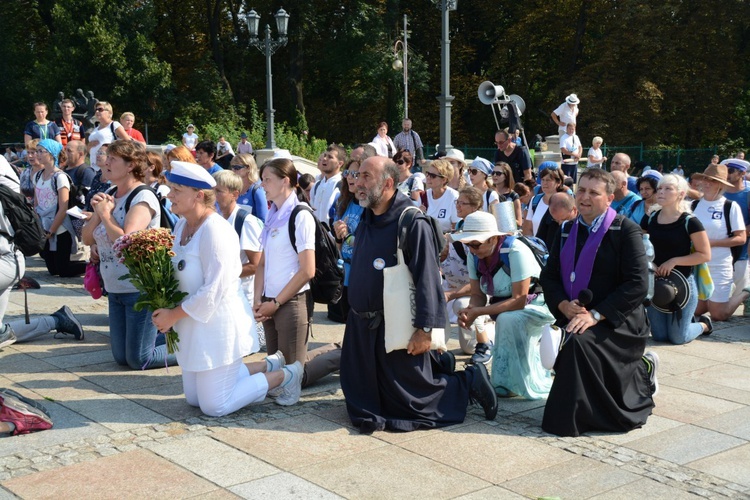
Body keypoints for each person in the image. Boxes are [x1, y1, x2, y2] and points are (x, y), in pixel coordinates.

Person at [339, 155, 498, 433]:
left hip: (396, 325)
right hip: (363, 328)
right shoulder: (367, 216)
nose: (357, 182)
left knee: (415, 403)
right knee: (367, 398)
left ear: (388, 183)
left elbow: (428, 279)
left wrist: (426, 329)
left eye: (366, 176)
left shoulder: (412, 221)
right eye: (356, 175)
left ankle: (469, 380)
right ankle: (440, 366)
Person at [151, 161, 298, 414]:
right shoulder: (181, 225)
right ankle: (267, 365)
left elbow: (214, 290)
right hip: (193, 325)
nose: (169, 195)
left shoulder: (216, 230)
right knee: (194, 400)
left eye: (176, 190)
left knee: (214, 405)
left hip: (218, 328)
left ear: (198, 196)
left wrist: (173, 315)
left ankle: (286, 375)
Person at [539, 168, 658, 437]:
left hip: (617, 319)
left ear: (609, 198)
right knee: (562, 341)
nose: (585, 197)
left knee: (576, 344)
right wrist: (561, 305)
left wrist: (595, 315)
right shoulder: (567, 229)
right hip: (574, 312)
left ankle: (585, 413)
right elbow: (549, 276)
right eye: (581, 190)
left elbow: (637, 284)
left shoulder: (625, 230)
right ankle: (582, 410)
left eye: (594, 192)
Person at [82, 140, 174, 370]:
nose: (106, 162)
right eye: (107, 157)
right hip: (114, 287)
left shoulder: (142, 197)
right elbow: (86, 238)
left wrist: (105, 215)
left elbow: (126, 242)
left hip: (138, 288)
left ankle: (193, 346)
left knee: (139, 359)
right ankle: (167, 333)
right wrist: (98, 213)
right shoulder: (110, 193)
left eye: (113, 158)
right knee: (121, 358)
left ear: (131, 164)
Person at [253, 158, 342, 391]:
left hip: (290, 301)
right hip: (270, 301)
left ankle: (343, 353)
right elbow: (262, 263)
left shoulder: (300, 215)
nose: (262, 185)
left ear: (285, 181)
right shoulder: (273, 215)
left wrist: (276, 302)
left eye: (267, 180)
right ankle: (336, 349)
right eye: (262, 180)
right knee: (278, 368)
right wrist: (258, 299)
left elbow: (307, 270)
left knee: (292, 376)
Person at [455, 211, 555, 399]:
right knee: (505, 317)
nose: (472, 249)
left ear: (493, 238)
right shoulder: (473, 255)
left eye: (475, 244)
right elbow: (477, 294)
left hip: (538, 304)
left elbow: (519, 299)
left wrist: (479, 312)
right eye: (467, 244)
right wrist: (471, 311)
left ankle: (512, 382)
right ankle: (504, 381)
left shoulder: (515, 250)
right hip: (504, 305)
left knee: (508, 319)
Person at [642, 174, 712, 344]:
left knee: (678, 338)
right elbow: (640, 246)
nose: (661, 192)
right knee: (659, 336)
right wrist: (651, 263)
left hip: (683, 283)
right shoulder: (650, 218)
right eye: (659, 188)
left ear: (681, 194)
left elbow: (705, 254)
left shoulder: (690, 222)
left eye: (668, 189)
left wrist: (673, 261)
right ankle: (684, 324)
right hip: (656, 283)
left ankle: (703, 325)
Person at [213, 170, 265, 349]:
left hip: (242, 296)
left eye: (219, 191)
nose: (214, 195)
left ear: (235, 194)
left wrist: (223, 273)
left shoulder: (246, 221)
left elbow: (256, 265)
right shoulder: (217, 218)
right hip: (225, 292)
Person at [441, 187, 493, 364]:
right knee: (467, 349)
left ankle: (486, 341)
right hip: (454, 288)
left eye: (462, 203)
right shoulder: (458, 230)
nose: (458, 206)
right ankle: (438, 346)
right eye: (457, 202)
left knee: (462, 303)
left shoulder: (481, 235)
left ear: (475, 207)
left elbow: (478, 283)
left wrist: (450, 295)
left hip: (477, 291)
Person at [692, 164, 747, 322]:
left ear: (721, 185)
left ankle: (744, 293)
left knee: (718, 315)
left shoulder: (730, 206)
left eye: (713, 180)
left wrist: (711, 243)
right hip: (698, 265)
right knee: (697, 310)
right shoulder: (694, 205)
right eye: (706, 179)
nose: (708, 183)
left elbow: (741, 238)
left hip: (719, 265)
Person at [34, 139, 85, 277]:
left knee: (63, 270)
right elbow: (37, 204)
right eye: (36, 151)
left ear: (52, 154)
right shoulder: (38, 175)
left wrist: (52, 230)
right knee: (52, 270)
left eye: (41, 151)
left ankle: (90, 266)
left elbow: (63, 207)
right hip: (44, 224)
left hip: (60, 226)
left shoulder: (60, 177)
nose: (36, 154)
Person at [331, 159, 365, 324]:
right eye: (347, 173)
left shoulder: (370, 205)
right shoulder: (344, 202)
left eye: (355, 174)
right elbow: (338, 245)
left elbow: (370, 243)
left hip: (361, 273)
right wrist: (339, 235)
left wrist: (348, 236)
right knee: (346, 321)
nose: (350, 177)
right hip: (344, 272)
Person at [723, 159, 750, 317]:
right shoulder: (719, 192)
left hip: (742, 246)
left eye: (731, 170)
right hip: (720, 245)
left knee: (740, 279)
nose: (727, 173)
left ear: (742, 173)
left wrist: (738, 234)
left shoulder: (748, 194)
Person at [523, 166, 566, 249]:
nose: (544, 183)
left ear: (558, 183)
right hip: (538, 250)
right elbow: (527, 228)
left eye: (548, 180)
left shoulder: (564, 202)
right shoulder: (535, 200)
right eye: (543, 180)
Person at [310, 144, 345, 226]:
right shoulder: (317, 185)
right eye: (325, 155)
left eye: (330, 157)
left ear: (340, 163)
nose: (325, 159)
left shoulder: (341, 186)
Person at [424, 160, 460, 232]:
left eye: (433, 176)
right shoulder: (423, 196)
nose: (428, 177)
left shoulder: (454, 197)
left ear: (444, 180)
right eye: (427, 173)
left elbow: (456, 228)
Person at [231, 153, 267, 222]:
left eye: (237, 167)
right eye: (232, 167)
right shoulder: (232, 187)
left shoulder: (257, 190)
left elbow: (263, 220)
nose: (233, 170)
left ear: (248, 168)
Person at [492, 162, 523, 227]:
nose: (494, 175)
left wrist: (503, 216)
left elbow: (519, 222)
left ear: (506, 176)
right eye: (493, 173)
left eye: (498, 173)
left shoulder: (513, 196)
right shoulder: (489, 193)